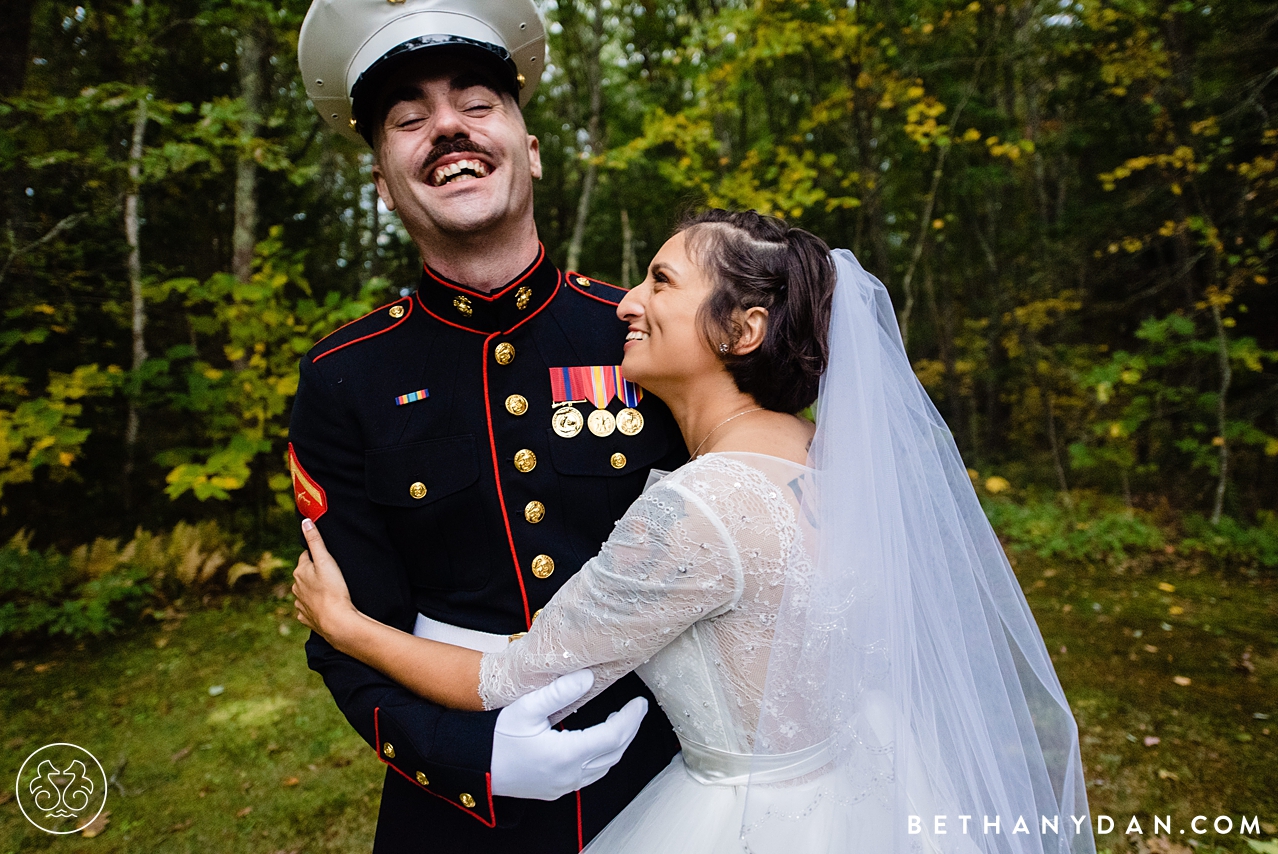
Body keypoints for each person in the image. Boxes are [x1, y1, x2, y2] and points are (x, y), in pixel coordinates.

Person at [293, 210, 1099, 854]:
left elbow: (510, 677)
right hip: (872, 790)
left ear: (742, 330)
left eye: (661, 281)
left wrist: (345, 626)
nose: (627, 303)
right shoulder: (829, 456)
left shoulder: (692, 509)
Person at [289, 1, 684, 851]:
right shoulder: (343, 378)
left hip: (668, 779)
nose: (447, 129)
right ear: (383, 184)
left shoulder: (647, 330)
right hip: (460, 812)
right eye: (407, 118)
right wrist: (470, 755)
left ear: (530, 150)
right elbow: (342, 627)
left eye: (476, 103)